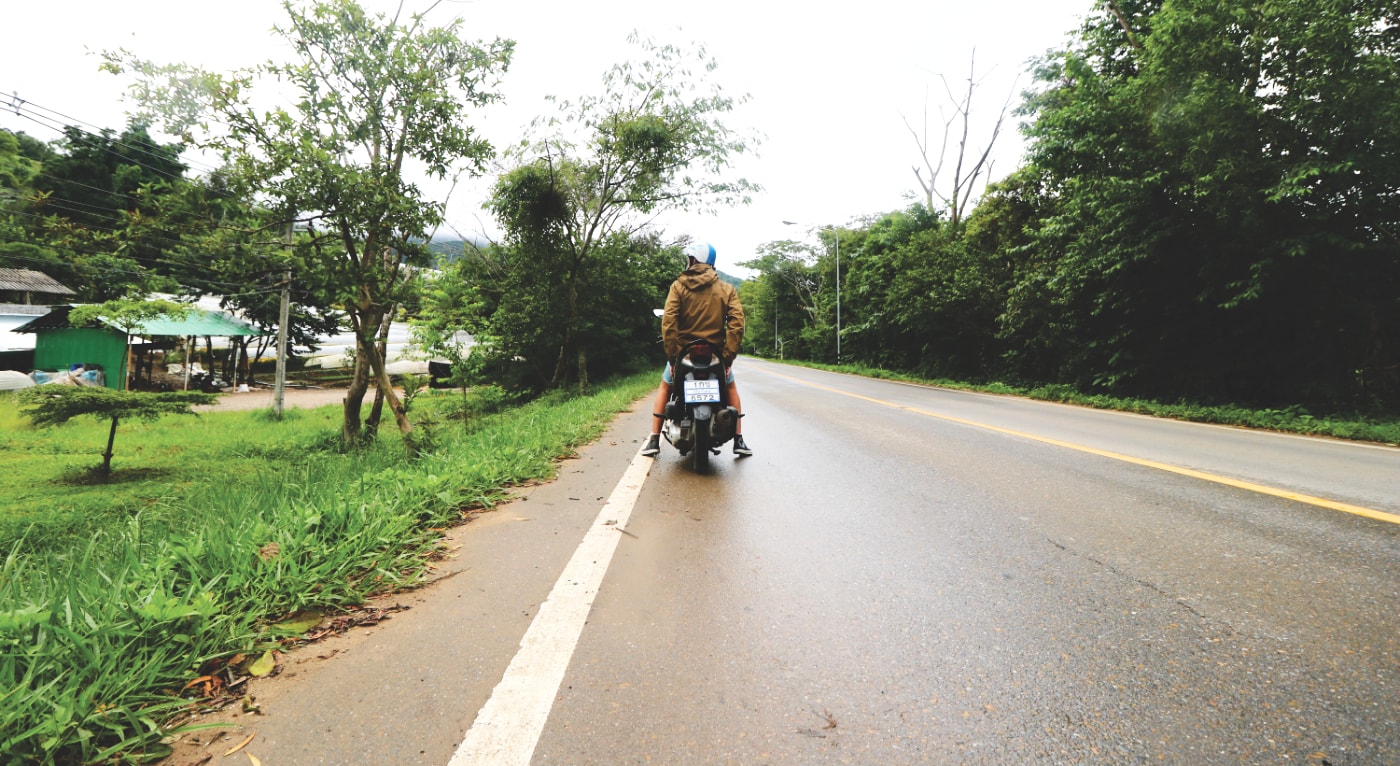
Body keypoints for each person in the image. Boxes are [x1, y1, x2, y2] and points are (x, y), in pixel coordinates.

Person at [643, 240, 752, 457]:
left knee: (665, 387)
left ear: (693, 260)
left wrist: (673, 358)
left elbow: (669, 322)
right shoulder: (727, 289)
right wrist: (727, 358)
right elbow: (737, 323)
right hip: (715, 355)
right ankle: (738, 440)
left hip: (684, 354)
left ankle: (654, 439)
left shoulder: (678, 286)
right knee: (731, 389)